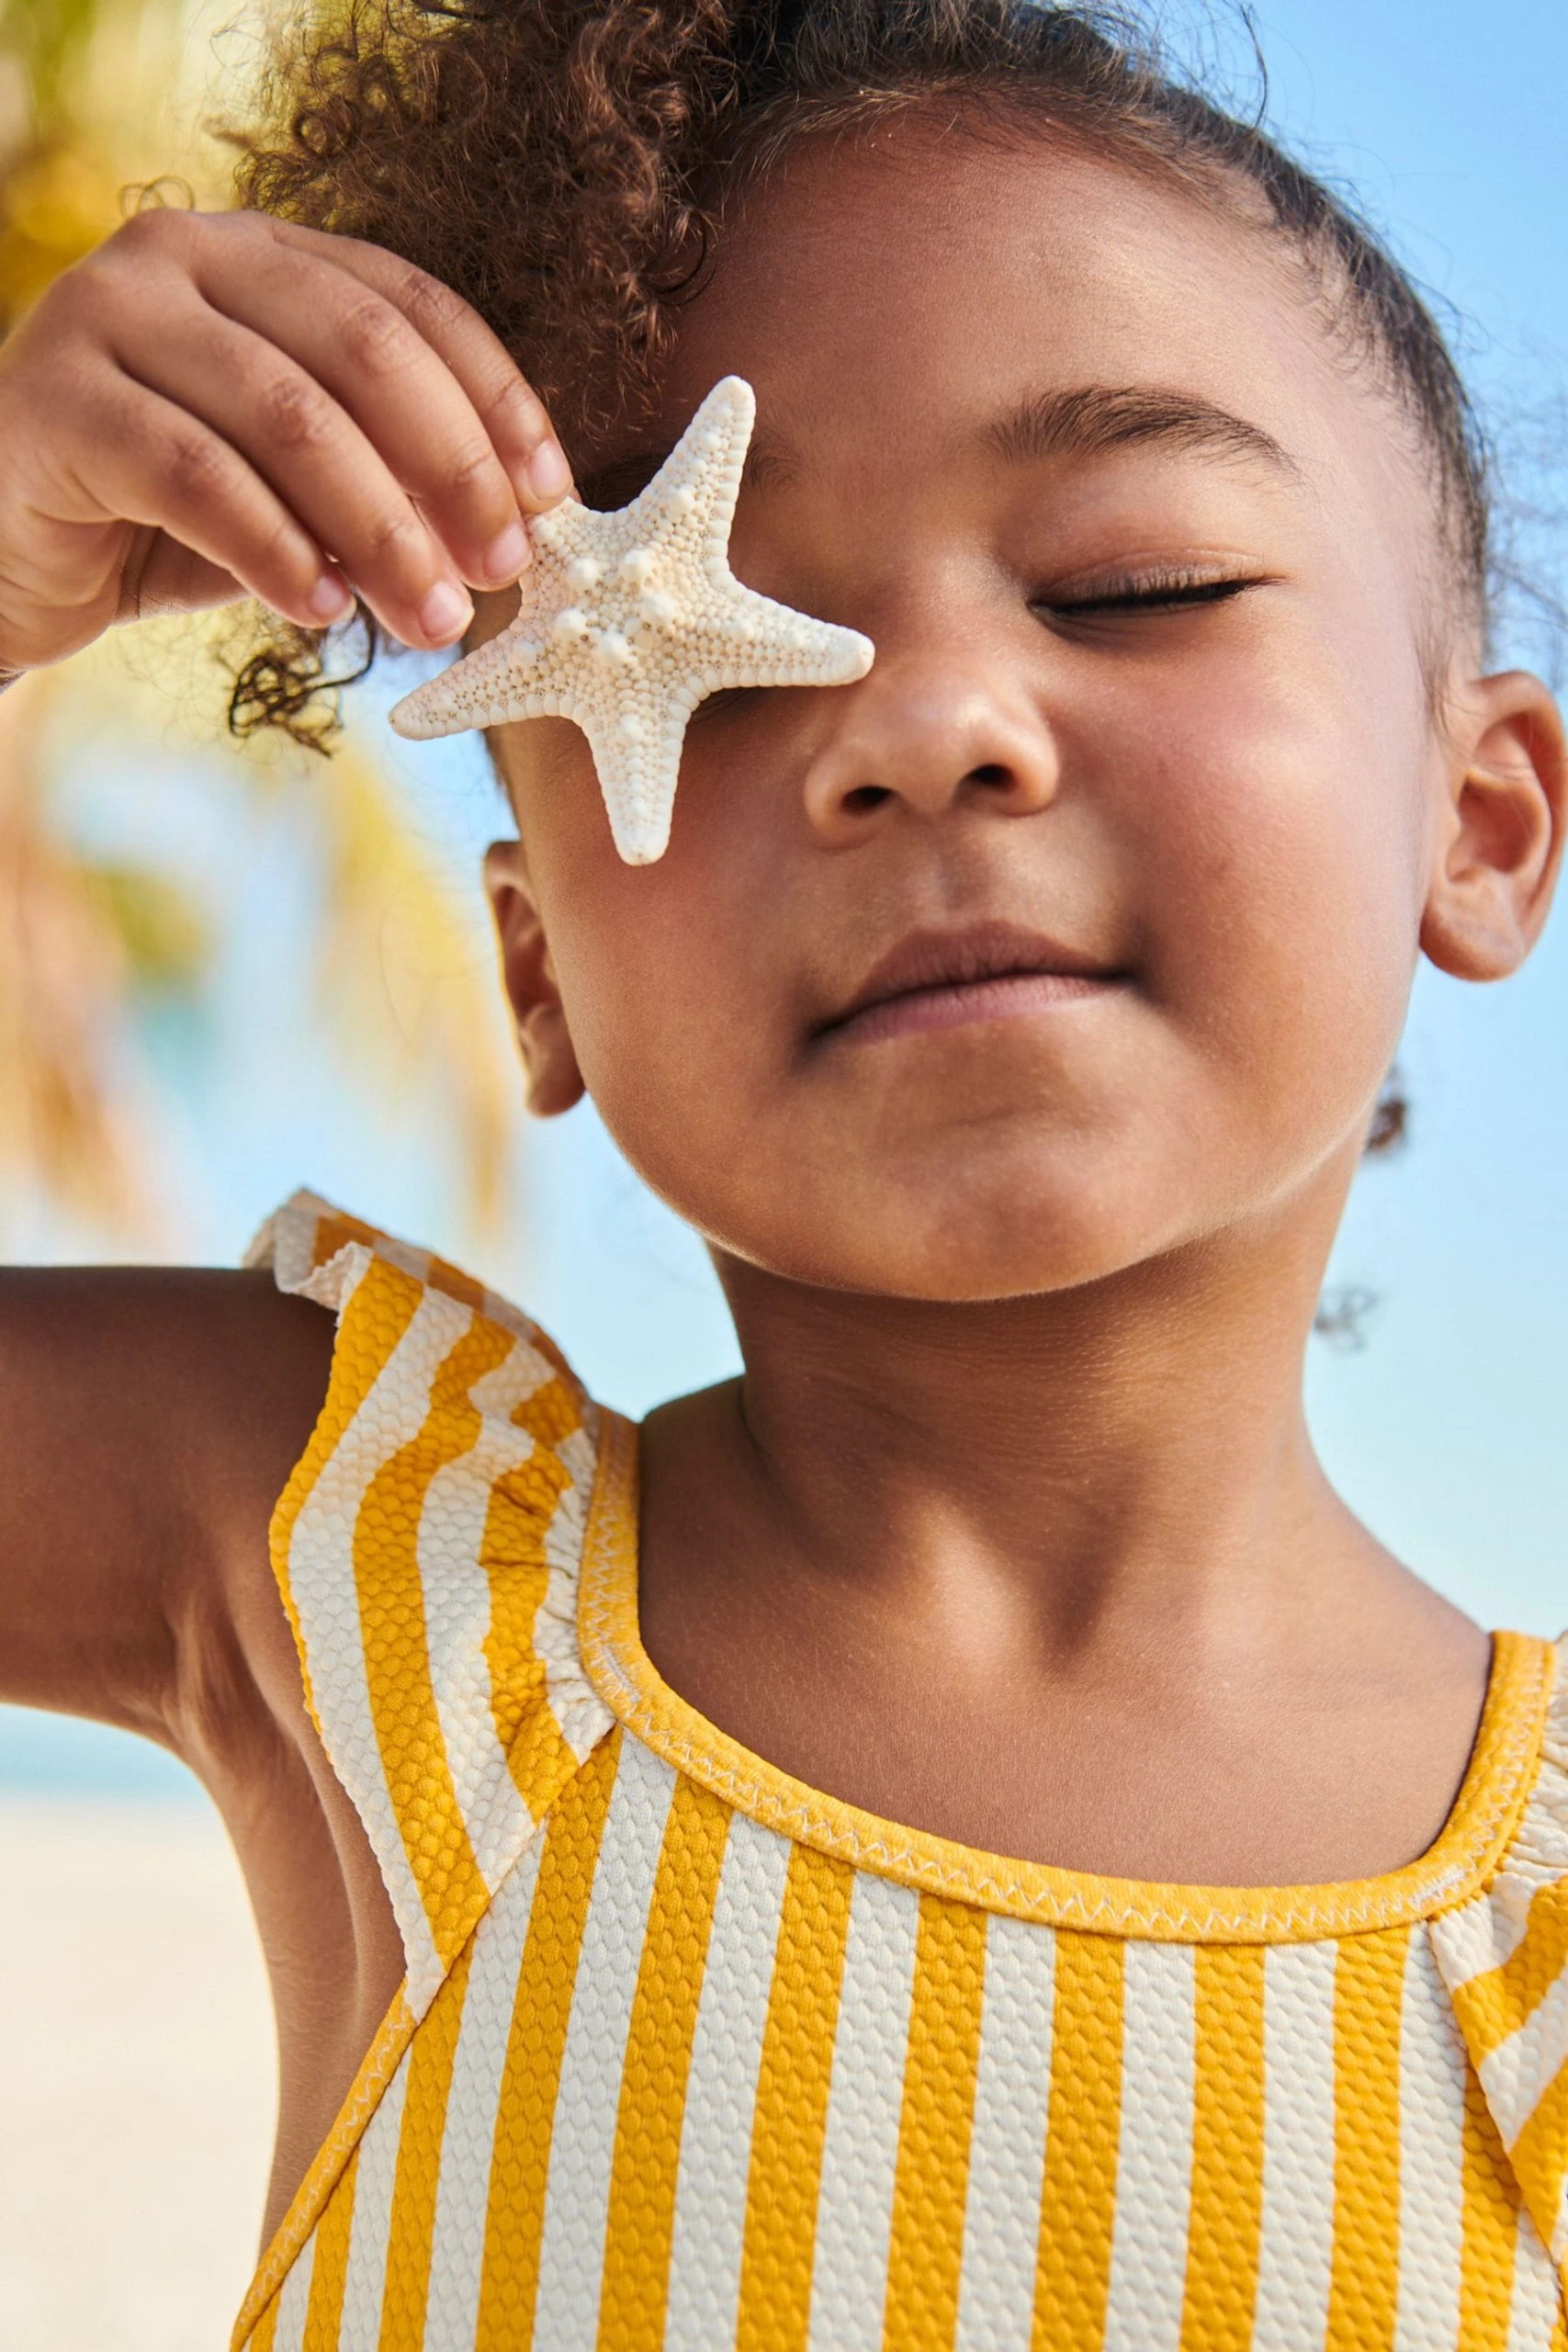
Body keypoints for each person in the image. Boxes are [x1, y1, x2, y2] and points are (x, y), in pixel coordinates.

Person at [0, 3, 1562, 2346]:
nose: (925, 725)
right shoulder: (351, 1546)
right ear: (531, 970)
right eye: (703, 657)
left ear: (1479, 819)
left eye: (1128, 582)